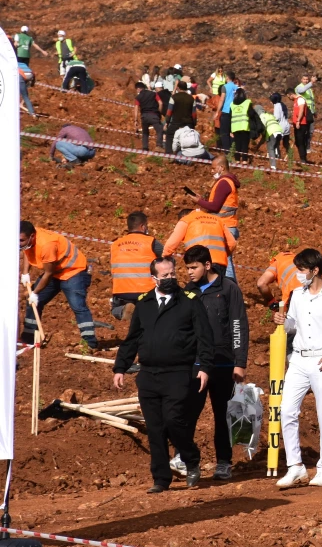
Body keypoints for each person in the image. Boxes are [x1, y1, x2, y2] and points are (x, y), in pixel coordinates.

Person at [113, 257, 214, 492]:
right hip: (148, 374)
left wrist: (204, 367)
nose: (170, 279)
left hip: (178, 373)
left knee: (173, 420)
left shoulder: (189, 302)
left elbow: (204, 338)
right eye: (164, 276)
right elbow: (133, 339)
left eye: (172, 274)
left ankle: (191, 459)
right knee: (155, 427)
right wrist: (120, 367)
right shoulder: (144, 304)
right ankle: (161, 478)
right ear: (154, 279)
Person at [272, 249, 322, 488]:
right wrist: (285, 322)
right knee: (287, 410)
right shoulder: (297, 294)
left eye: (301, 270)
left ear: (314, 270)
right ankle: (295, 466)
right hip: (299, 360)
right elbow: (293, 326)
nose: (298, 274)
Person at [176, 245, 249, 481]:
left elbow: (238, 325)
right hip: (197, 363)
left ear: (207, 265)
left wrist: (240, 362)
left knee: (222, 414)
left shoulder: (228, 288)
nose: (189, 272)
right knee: (188, 413)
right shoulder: (189, 290)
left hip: (224, 363)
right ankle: (183, 459)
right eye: (187, 267)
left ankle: (224, 462)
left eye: (194, 267)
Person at [20, 222, 97, 351]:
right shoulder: (29, 237)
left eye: (21, 240)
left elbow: (49, 273)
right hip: (56, 272)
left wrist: (35, 292)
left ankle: (90, 343)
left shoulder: (46, 244)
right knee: (32, 302)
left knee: (77, 305)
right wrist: (25, 273)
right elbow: (27, 250)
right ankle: (29, 337)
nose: (19, 243)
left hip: (73, 271)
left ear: (32, 236)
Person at [109, 211, 163, 320]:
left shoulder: (115, 244)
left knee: (114, 308)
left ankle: (123, 309)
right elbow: (167, 258)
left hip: (121, 292)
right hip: (147, 291)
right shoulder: (151, 242)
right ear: (143, 226)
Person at [162, 207, 238, 280]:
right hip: (220, 263)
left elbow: (171, 244)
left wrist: (163, 258)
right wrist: (222, 255)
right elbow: (232, 243)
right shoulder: (218, 220)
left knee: (201, 291)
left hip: (199, 264)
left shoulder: (186, 219)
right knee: (218, 291)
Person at [196, 156, 240, 276]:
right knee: (225, 259)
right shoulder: (227, 181)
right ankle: (230, 290)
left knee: (226, 261)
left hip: (225, 225)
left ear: (222, 167)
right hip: (228, 225)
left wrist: (198, 201)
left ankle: (231, 290)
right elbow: (218, 204)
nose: (211, 171)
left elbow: (215, 207)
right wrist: (203, 200)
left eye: (213, 168)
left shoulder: (224, 182)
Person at [165, 79, 197, 153]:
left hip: (176, 122)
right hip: (188, 123)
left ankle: (169, 155)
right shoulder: (192, 99)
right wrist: (194, 123)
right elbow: (194, 114)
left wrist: (167, 122)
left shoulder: (173, 97)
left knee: (169, 135)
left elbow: (169, 111)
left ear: (178, 88)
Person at [229, 88, 254, 164]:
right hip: (244, 126)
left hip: (235, 127)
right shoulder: (247, 102)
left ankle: (237, 159)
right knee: (244, 144)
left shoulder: (232, 104)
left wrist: (230, 130)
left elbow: (230, 116)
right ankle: (244, 160)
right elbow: (251, 114)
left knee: (237, 144)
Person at [291, 85, 313, 163]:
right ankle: (303, 157)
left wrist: (298, 121)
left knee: (300, 141)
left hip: (302, 123)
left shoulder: (300, 100)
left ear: (290, 95)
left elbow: (301, 110)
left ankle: (303, 158)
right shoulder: (296, 101)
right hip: (298, 123)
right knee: (298, 141)